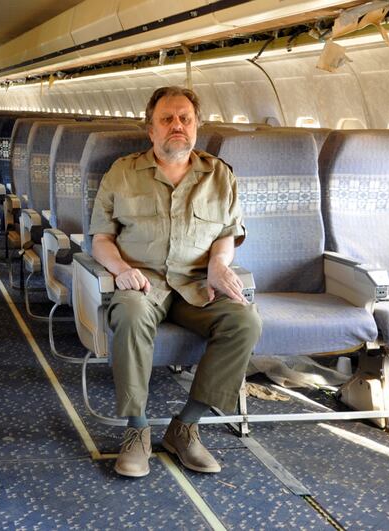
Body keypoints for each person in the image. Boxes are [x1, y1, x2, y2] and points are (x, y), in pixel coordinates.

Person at [89, 86, 261, 477]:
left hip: (198, 283)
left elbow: (226, 236)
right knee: (131, 314)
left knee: (245, 321)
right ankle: (136, 431)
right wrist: (120, 269)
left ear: (197, 126)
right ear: (150, 130)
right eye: (167, 119)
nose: (177, 126)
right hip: (142, 282)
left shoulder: (219, 175)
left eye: (185, 118)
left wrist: (219, 264)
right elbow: (100, 239)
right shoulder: (122, 172)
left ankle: (186, 427)